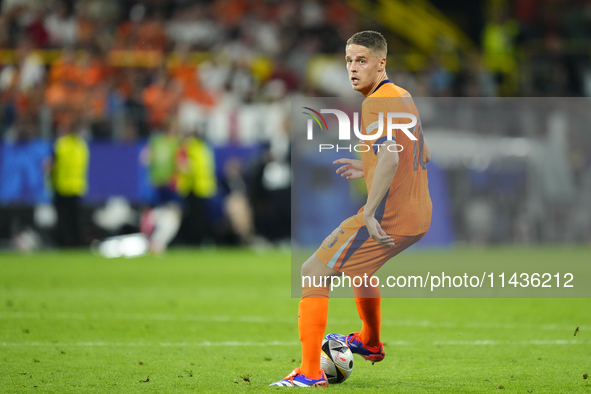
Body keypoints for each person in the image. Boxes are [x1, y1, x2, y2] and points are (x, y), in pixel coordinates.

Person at [271, 31, 432, 387]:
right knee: (361, 268)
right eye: (348, 61)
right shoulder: (401, 96)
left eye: (362, 61)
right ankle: (370, 342)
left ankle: (311, 374)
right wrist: (369, 166)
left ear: (381, 63)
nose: (353, 68)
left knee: (313, 270)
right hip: (419, 214)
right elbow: (418, 152)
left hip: (392, 214)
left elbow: (391, 156)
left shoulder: (375, 103)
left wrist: (371, 211)